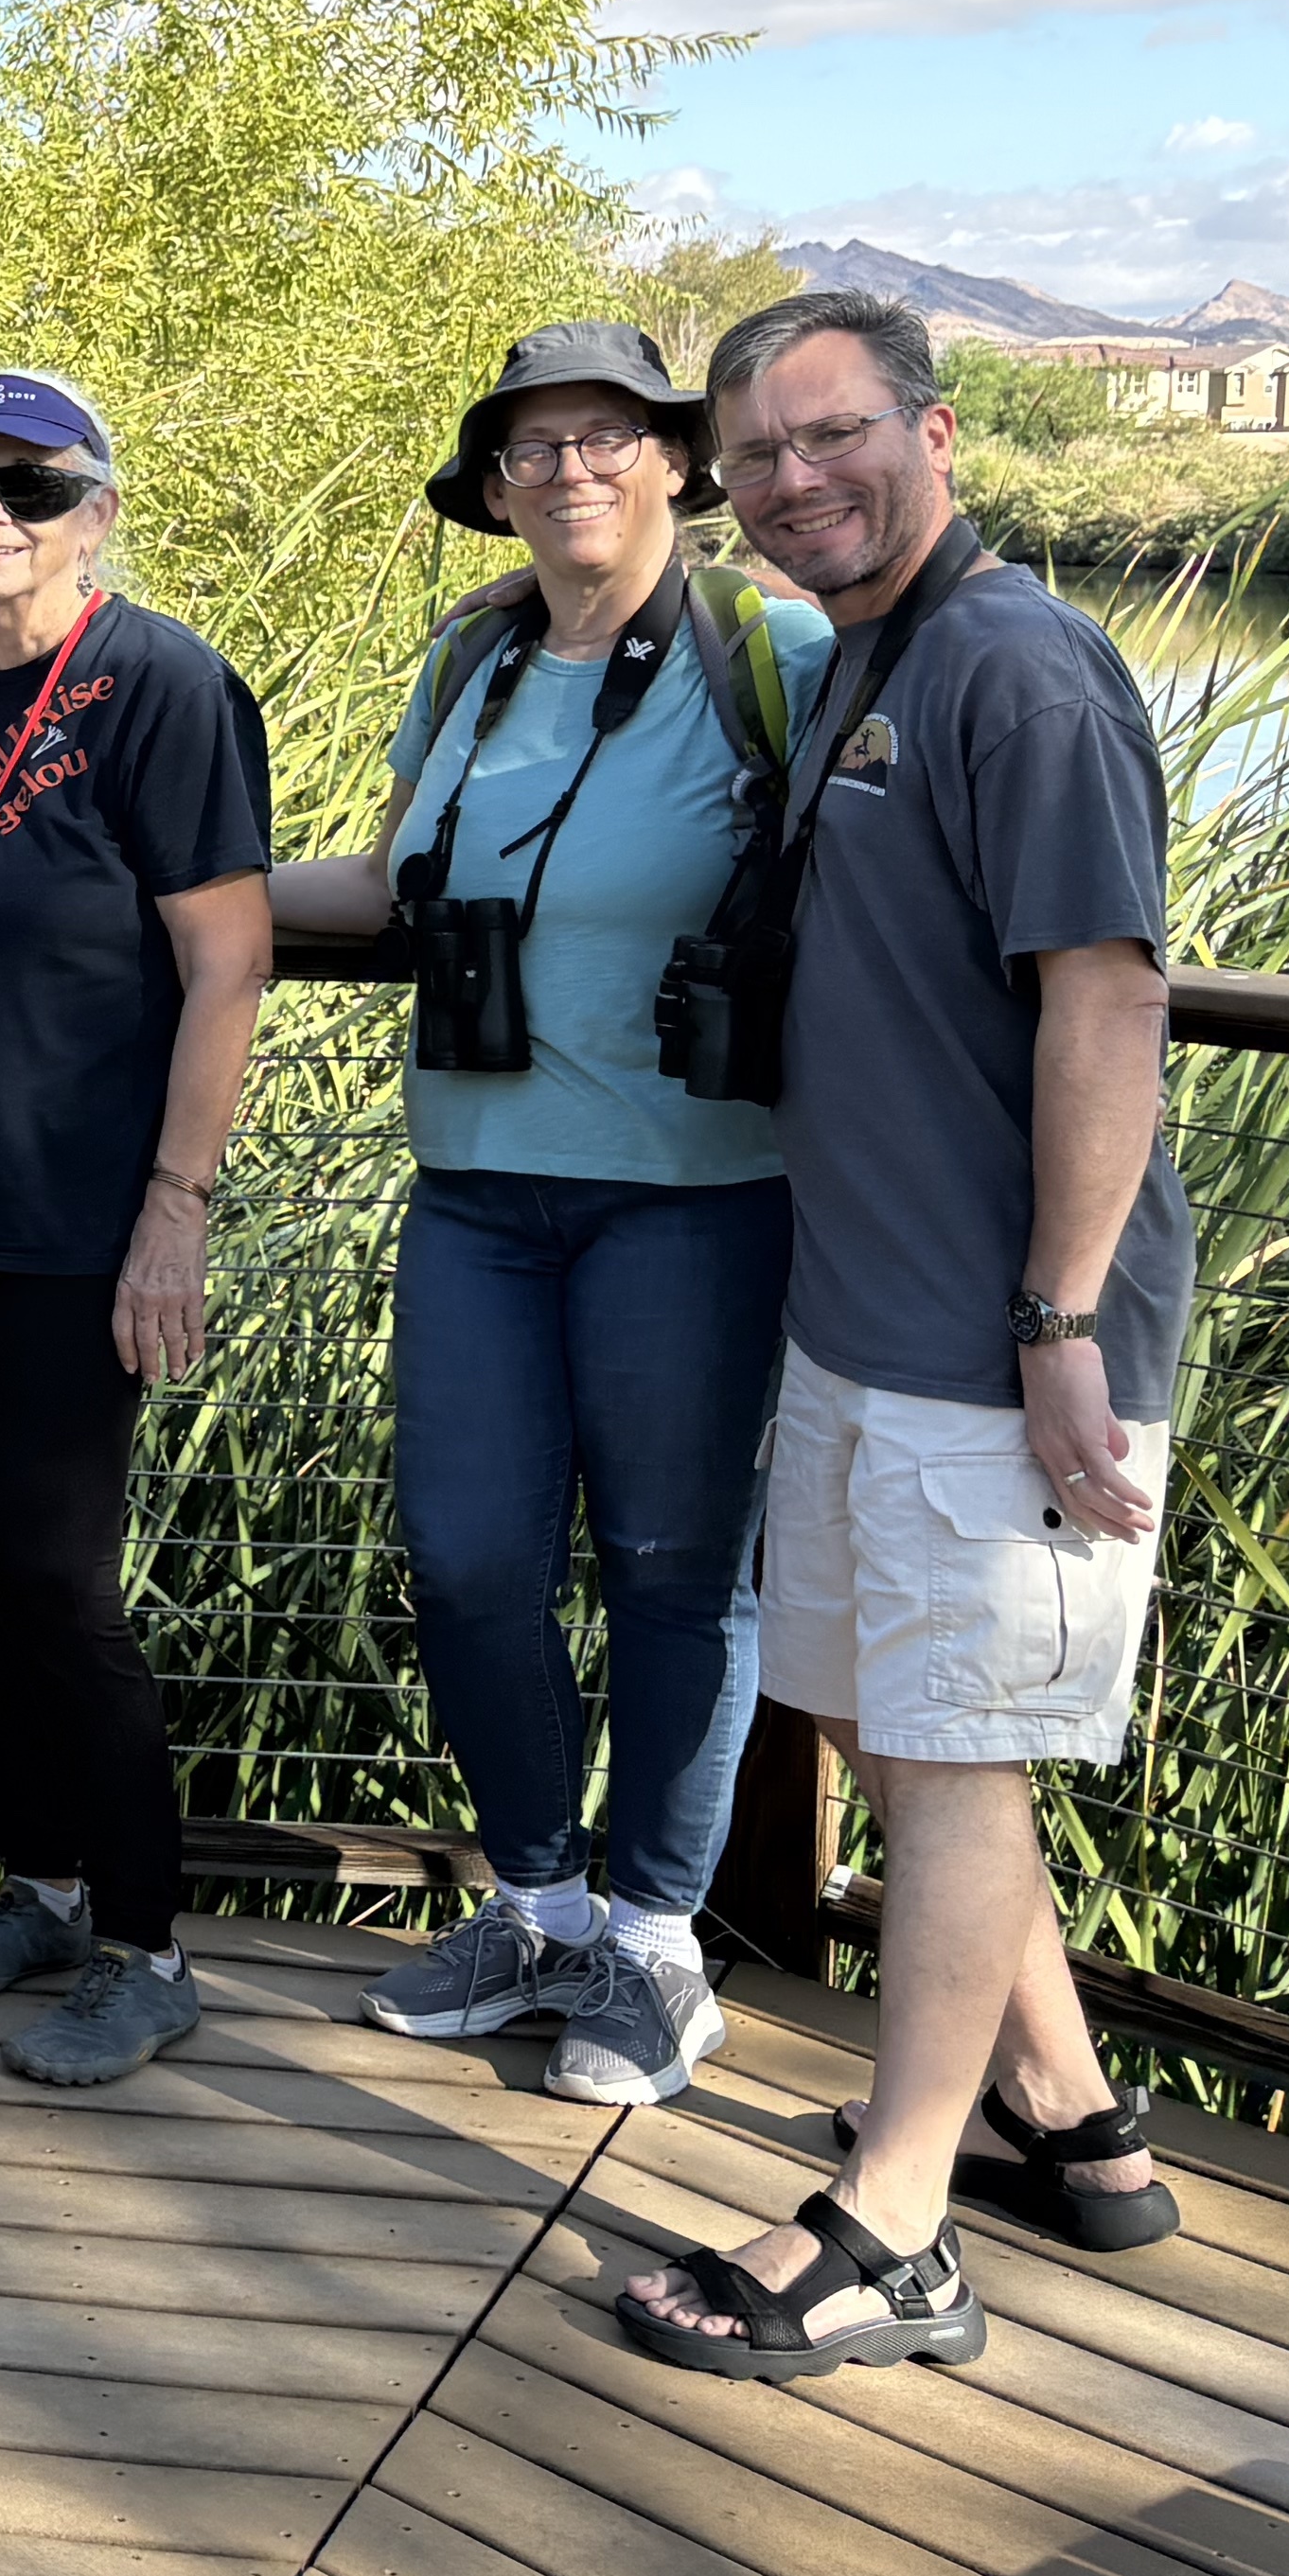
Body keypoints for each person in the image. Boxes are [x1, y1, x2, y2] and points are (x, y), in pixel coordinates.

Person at [619, 288, 1192, 2382]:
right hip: (869, 1323)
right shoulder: (874, 649)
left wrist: (1056, 1321)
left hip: (996, 1346)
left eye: (832, 435)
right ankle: (1076, 2119)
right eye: (757, 456)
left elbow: (1109, 1001)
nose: (795, 482)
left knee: (957, 1783)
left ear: (935, 433)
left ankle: (893, 2230)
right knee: (889, 1735)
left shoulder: (1023, 670)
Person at [276, 326, 834, 2108]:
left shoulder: (771, 651)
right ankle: (532, 1897)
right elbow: (383, 880)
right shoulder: (472, 657)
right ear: (494, 484)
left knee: (675, 1565)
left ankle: (656, 1941)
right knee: (464, 1554)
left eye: (606, 437)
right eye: (532, 446)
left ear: (674, 461)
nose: (569, 468)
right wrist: (165, 892)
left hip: (696, 1194)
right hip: (476, 1192)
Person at [0, 370, 273, 2092]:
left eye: (26, 487)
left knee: (60, 1582)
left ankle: (147, 1942)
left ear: (93, 509)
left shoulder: (159, 682)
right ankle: (36, 1883)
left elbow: (228, 959)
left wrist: (174, 1210)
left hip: (75, 1218)